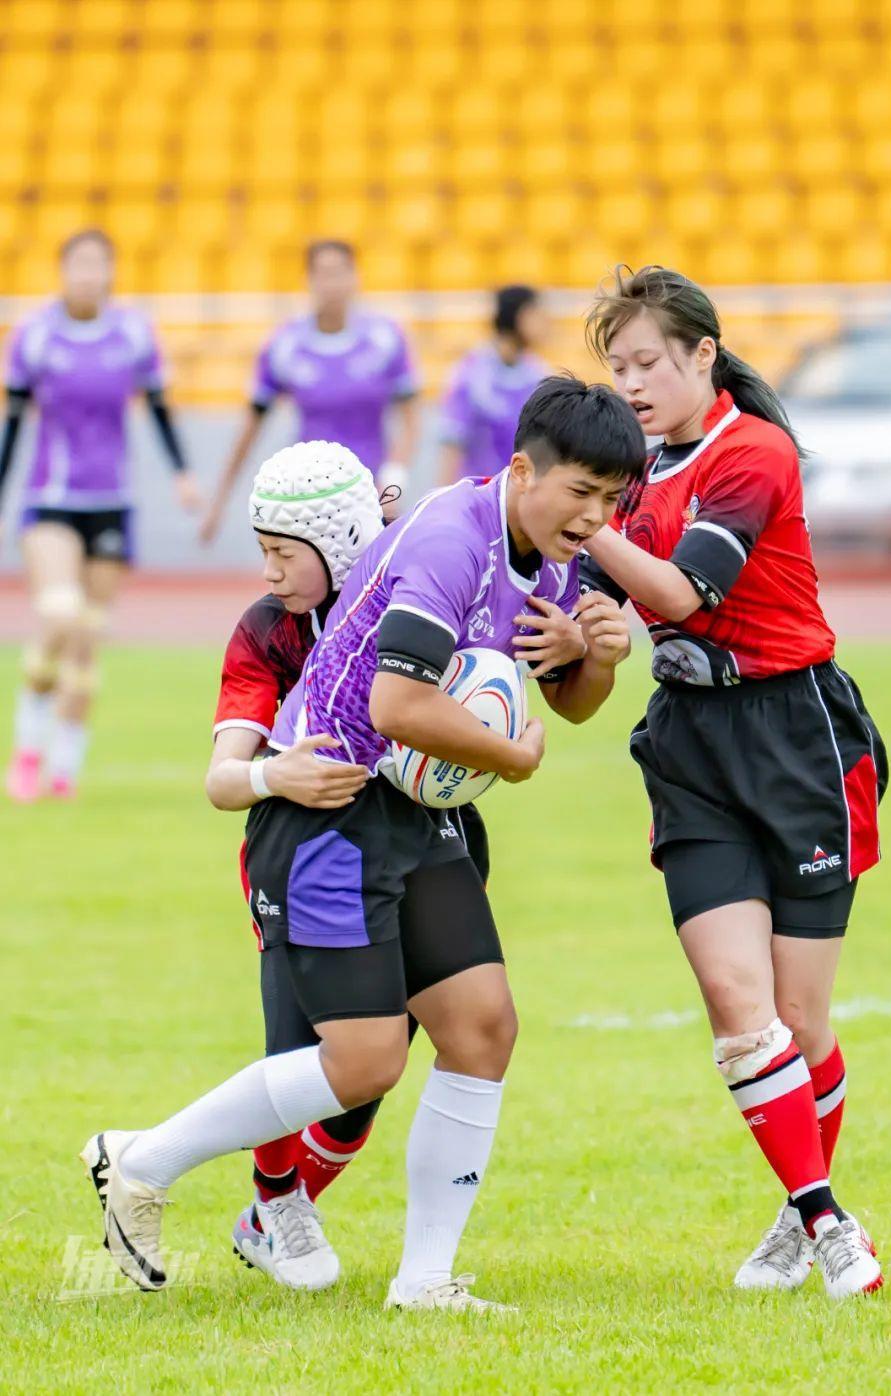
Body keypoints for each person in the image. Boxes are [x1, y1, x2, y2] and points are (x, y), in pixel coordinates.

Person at [82, 376, 645, 1312]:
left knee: (483, 1028)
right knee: (366, 1062)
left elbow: (570, 703)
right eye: (581, 492)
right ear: (522, 470)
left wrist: (599, 659)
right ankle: (140, 1160)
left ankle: (424, 1282)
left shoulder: (552, 557)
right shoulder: (451, 540)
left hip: (410, 814)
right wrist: (513, 758)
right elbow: (398, 705)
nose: (595, 517)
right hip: (326, 814)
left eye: (611, 500)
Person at [206, 439, 587, 1290]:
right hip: (310, 841)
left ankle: (285, 1205)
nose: (269, 573)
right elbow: (221, 778)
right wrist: (273, 774)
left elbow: (535, 664)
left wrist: (583, 647)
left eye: (284, 552)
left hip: (425, 832)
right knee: (312, 1050)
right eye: (262, 551)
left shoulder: (423, 576)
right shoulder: (265, 632)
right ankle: (270, 1196)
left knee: (379, 1069)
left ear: (340, 540)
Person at [583, 266, 888, 1301]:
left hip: (797, 738)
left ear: (703, 354)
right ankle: (827, 1219)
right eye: (617, 369)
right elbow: (577, 598)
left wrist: (584, 525)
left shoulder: (752, 452)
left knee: (799, 1020)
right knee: (734, 1002)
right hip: (691, 744)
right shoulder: (624, 478)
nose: (630, 385)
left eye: (646, 363)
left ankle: (800, 1219)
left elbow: (682, 591)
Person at [0, 228, 201, 801]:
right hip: (51, 500)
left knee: (88, 639)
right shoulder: (35, 336)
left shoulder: (133, 334)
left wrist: (182, 473)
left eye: (99, 264)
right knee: (60, 616)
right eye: (79, 264)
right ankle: (29, 747)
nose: (89, 275)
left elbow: (158, 407)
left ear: (111, 272)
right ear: (63, 272)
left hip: (113, 502)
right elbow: (13, 422)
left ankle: (64, 770)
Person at [199, 239, 420, 543]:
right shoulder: (286, 345)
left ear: (355, 277)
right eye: (323, 273)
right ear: (309, 279)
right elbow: (251, 427)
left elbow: (411, 422)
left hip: (371, 493)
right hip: (308, 497)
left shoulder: (385, 338)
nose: (332, 284)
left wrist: (393, 484)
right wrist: (219, 503)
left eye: (339, 272)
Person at [435, 285, 549, 487]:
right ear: (518, 316)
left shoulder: (539, 376)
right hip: (478, 494)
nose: (545, 323)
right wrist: (443, 494)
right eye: (536, 314)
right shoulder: (471, 373)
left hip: (520, 496)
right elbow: (453, 444)